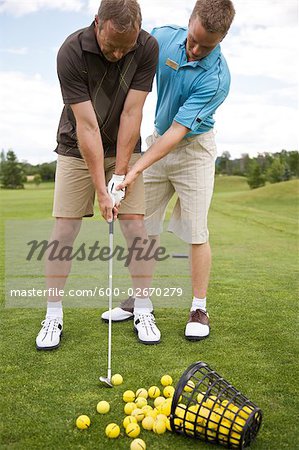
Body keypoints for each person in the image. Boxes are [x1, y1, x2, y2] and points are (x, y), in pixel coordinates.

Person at [102, 0, 235, 341]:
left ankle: (198, 307)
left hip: (194, 150)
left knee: (195, 231)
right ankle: (139, 299)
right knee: (143, 227)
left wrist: (133, 169)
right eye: (193, 39)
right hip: (158, 141)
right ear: (189, 21)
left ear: (222, 39)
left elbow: (178, 133)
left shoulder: (217, 78)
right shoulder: (161, 38)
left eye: (207, 46)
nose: (195, 49)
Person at [36, 0, 160, 350]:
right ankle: (53, 314)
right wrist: (101, 192)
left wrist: (120, 176)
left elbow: (132, 112)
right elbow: (87, 127)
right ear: (97, 24)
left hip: (124, 145)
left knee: (136, 224)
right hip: (77, 146)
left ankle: (143, 308)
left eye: (127, 47)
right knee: (65, 227)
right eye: (111, 46)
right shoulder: (71, 52)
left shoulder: (147, 47)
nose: (119, 54)